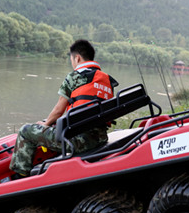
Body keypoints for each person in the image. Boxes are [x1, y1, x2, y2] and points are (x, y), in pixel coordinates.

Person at [9, 39, 118, 178]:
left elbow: (59, 110)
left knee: (26, 131)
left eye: (71, 59)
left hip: (78, 141)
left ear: (77, 58)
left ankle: (20, 176)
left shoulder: (74, 77)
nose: (72, 63)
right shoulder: (107, 80)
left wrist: (46, 123)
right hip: (100, 138)